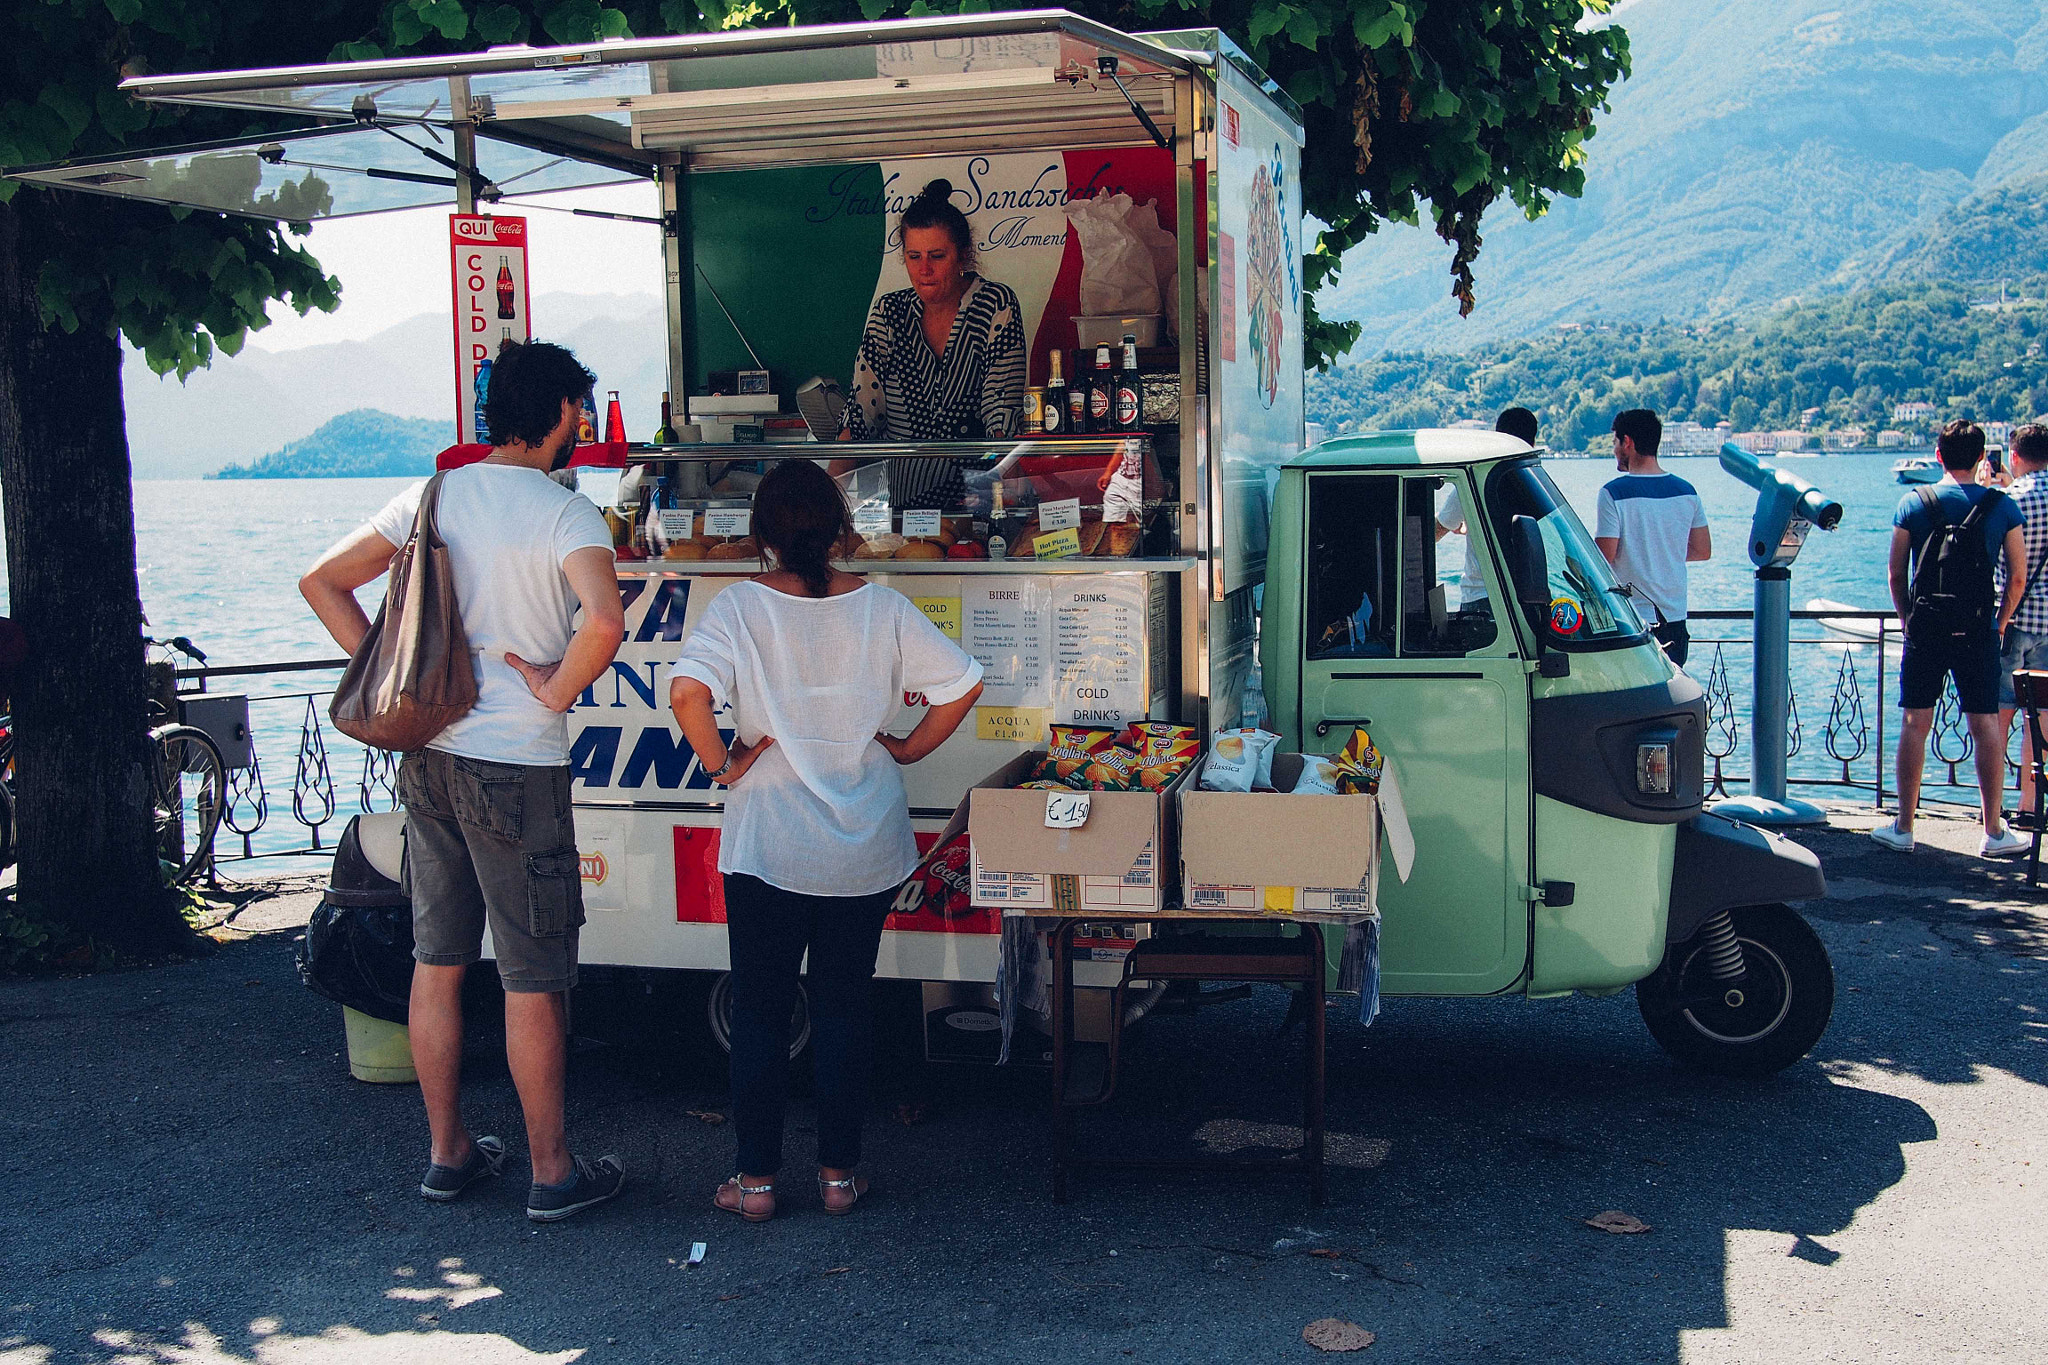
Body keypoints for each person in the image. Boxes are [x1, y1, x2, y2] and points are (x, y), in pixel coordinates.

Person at [300, 340, 628, 1222]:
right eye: (580, 410)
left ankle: (448, 1153)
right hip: (516, 764)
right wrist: (555, 686)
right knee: (532, 973)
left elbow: (322, 581)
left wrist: (395, 675)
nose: (583, 426)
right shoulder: (568, 514)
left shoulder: (433, 494)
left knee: (436, 959)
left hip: (429, 756)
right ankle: (553, 1172)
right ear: (559, 409)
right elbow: (605, 621)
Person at [668, 459, 983, 1221]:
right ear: (841, 527)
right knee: (846, 1008)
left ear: (763, 534)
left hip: (768, 838)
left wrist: (726, 763)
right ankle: (840, 1178)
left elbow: (687, 694)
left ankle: (755, 1185)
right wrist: (905, 749)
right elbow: (964, 682)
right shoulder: (880, 606)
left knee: (762, 1013)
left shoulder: (739, 607)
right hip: (864, 842)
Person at [1874, 419, 2029, 857]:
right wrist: (1999, 623)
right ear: (1982, 457)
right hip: (1977, 628)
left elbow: (1895, 571)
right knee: (1984, 725)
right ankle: (1994, 832)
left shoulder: (1913, 502)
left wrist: (1907, 618)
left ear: (1938, 455)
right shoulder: (2002, 507)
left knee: (1914, 723)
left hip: (1926, 626)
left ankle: (1904, 827)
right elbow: (2016, 578)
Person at [835, 179, 1027, 508]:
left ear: (962, 255)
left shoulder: (996, 305)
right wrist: (827, 495)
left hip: (976, 500)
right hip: (895, 506)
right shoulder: (888, 313)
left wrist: (1015, 500)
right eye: (914, 256)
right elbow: (862, 413)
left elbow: (1001, 415)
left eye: (937, 256)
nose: (924, 269)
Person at [1594, 409, 1710, 665]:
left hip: (1632, 620)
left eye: (1615, 442)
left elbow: (1603, 558)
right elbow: (1703, 550)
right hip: (1676, 620)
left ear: (1628, 442)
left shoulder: (1613, 493)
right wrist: (1663, 552)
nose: (1614, 449)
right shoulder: (1687, 492)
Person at [1433, 407, 1541, 610]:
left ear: (1498, 439)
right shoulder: (1537, 488)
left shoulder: (1479, 481)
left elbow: (1435, 531)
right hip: (1528, 597)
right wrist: (1469, 525)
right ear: (1532, 443)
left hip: (1481, 597)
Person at [1996, 425, 2048, 826]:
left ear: (2014, 456)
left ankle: (1992, 807)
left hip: (2011, 621)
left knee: (1997, 714)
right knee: (2042, 720)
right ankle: (2032, 808)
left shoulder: (2008, 500)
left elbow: (1999, 566)